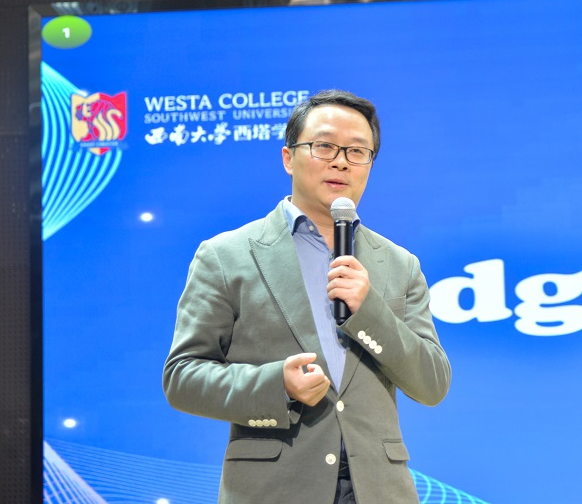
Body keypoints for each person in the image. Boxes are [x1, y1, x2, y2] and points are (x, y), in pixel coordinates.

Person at [163, 89, 451, 503]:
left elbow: (432, 383)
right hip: (274, 490)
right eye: (325, 146)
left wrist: (370, 312)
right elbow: (182, 377)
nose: (341, 162)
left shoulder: (399, 264)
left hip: (379, 490)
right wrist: (276, 384)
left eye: (357, 151)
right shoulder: (226, 255)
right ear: (288, 157)